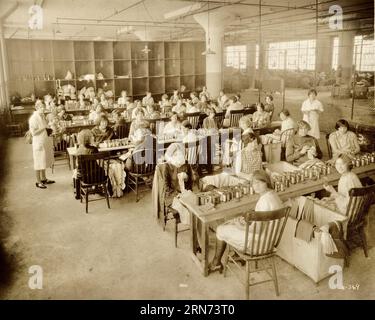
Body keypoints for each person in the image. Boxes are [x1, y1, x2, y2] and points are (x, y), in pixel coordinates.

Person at [208, 170, 284, 273]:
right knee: (233, 222)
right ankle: (235, 255)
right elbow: (263, 220)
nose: (255, 186)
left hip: (258, 245)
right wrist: (247, 220)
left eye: (259, 183)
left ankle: (216, 264)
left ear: (266, 182)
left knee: (221, 229)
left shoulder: (264, 202)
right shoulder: (273, 195)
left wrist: (238, 224)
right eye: (253, 183)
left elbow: (256, 230)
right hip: (270, 242)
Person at [29, 102, 55, 189]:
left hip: (44, 141)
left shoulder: (42, 116)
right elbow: (33, 133)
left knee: (43, 160)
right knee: (38, 162)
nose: (43, 109)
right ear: (36, 108)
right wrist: (43, 127)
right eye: (40, 107)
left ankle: (44, 178)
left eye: (43, 107)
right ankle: (38, 181)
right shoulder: (33, 118)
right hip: (38, 142)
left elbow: (45, 128)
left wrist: (49, 130)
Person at [74, 129, 99, 199]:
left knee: (77, 172)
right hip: (96, 176)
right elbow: (99, 161)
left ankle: (78, 194)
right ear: (90, 138)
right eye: (92, 137)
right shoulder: (94, 149)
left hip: (84, 177)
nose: (93, 137)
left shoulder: (78, 150)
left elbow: (77, 164)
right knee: (107, 169)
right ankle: (108, 190)